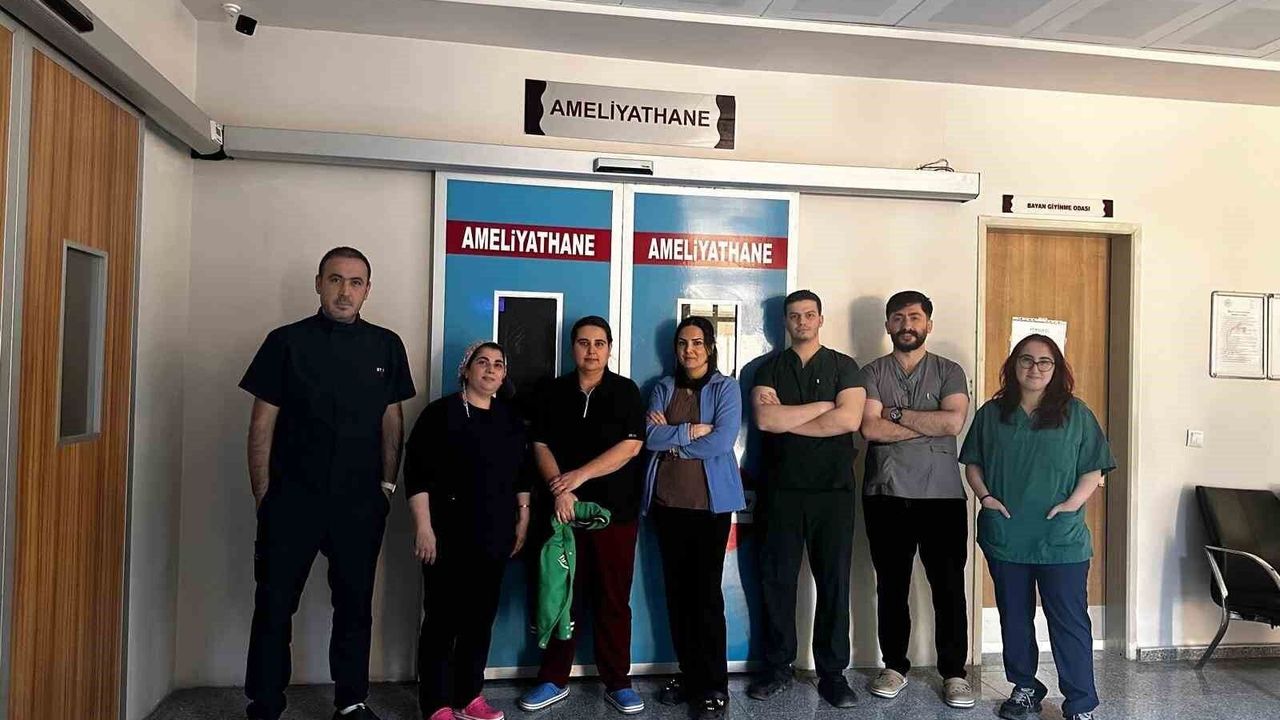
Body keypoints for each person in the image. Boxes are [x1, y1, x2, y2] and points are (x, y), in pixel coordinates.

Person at [240, 247, 415, 720]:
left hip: (360, 503)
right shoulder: (285, 342)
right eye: (335, 279)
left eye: (355, 282)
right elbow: (261, 424)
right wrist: (264, 495)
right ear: (318, 284)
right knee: (274, 606)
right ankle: (265, 704)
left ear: (367, 290)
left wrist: (386, 487)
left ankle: (351, 702)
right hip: (291, 499)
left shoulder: (386, 345)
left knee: (355, 607)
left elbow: (392, 421)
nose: (344, 291)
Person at [960, 335, 1114, 720]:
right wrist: (985, 497)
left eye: (1045, 361)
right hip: (1007, 534)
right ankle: (1025, 688)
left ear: (1056, 368)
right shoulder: (992, 413)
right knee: (1014, 617)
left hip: (1060, 538)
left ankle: (1080, 703)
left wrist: (1071, 505)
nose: (1035, 368)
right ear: (1013, 365)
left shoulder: (1076, 413)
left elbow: (1093, 468)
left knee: (1069, 621)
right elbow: (973, 462)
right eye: (1026, 360)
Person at [518, 316, 647, 715]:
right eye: (583, 343)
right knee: (560, 597)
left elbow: (631, 447)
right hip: (561, 513)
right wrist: (561, 489)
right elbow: (539, 444)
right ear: (572, 347)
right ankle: (553, 679)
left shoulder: (626, 391)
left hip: (614, 515)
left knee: (613, 600)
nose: (591, 350)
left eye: (599, 343)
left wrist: (579, 476)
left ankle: (618, 682)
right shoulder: (551, 392)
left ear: (609, 348)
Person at [747, 290, 866, 708]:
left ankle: (832, 675)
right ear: (786, 322)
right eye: (794, 316)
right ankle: (777, 668)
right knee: (776, 581)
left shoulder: (844, 366)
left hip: (833, 493)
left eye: (809, 315)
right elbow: (766, 419)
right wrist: (821, 407)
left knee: (833, 582)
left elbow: (848, 419)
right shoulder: (768, 368)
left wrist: (789, 419)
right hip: (779, 491)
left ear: (820, 319)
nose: (802, 321)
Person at [858, 291, 974, 708]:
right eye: (898, 318)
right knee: (891, 586)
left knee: (948, 587)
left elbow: (953, 422)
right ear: (888, 325)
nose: (906, 324)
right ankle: (894, 666)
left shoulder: (949, 371)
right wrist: (927, 424)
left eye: (914, 317)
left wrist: (894, 413)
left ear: (928, 324)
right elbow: (869, 429)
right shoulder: (871, 372)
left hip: (942, 497)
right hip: (886, 494)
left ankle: (954, 673)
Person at [405, 342, 531, 720]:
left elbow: (522, 475)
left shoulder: (510, 419)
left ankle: (468, 697)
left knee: (479, 620)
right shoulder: (439, 415)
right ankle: (437, 704)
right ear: (466, 370)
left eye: (498, 365)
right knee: (442, 621)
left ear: (504, 375)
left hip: (493, 536)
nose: (490, 370)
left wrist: (523, 517)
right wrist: (423, 527)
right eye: (482, 362)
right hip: (446, 536)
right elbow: (417, 476)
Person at [643, 316, 746, 720]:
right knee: (677, 596)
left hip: (709, 509)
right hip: (668, 507)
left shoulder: (726, 388)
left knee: (705, 597)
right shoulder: (663, 387)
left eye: (698, 343)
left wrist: (674, 443)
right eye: (683, 343)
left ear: (710, 347)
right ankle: (689, 675)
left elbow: (722, 440)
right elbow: (649, 437)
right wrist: (690, 432)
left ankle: (713, 685)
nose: (690, 350)